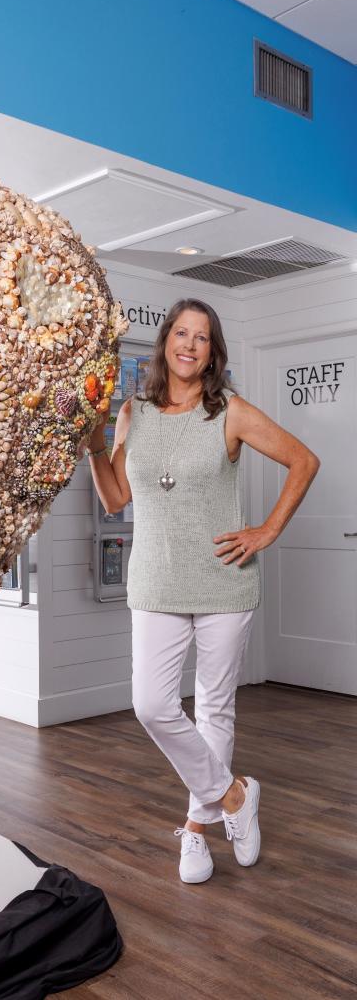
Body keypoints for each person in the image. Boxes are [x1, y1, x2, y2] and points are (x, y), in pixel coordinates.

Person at [85, 298, 319, 884]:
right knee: (153, 705)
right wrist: (92, 440)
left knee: (214, 707)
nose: (190, 344)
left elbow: (303, 461)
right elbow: (116, 498)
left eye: (203, 337)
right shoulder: (133, 413)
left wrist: (266, 531)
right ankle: (235, 796)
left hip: (222, 580)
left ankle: (195, 830)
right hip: (155, 580)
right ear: (166, 341)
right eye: (182, 333)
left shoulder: (230, 412)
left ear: (213, 351)